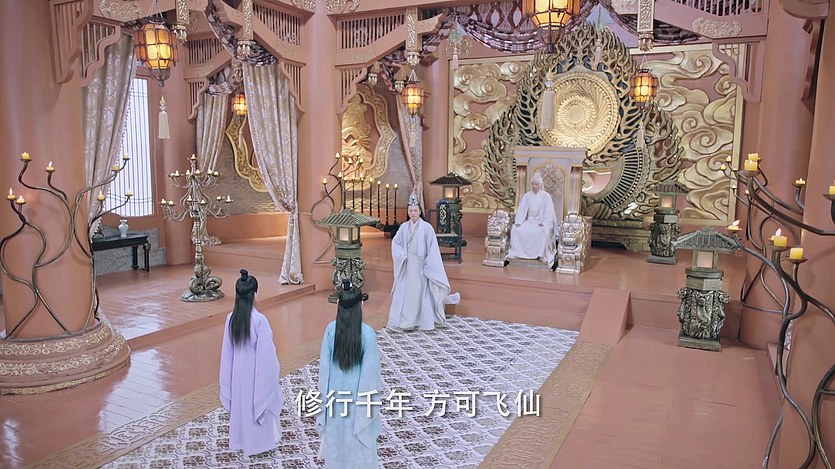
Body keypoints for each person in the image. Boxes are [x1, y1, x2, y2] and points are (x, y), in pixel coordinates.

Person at [219, 269, 284, 459]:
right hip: (256, 374)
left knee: (242, 406)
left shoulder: (231, 319)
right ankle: (260, 443)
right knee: (258, 404)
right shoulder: (259, 320)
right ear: (255, 294)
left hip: (238, 376)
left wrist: (228, 380)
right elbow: (266, 356)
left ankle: (243, 440)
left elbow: (226, 353)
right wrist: (270, 376)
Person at [317, 279, 382, 469]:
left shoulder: (331, 330)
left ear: (338, 304)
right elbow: (370, 378)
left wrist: (322, 409)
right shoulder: (367, 334)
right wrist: (367, 411)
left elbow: (324, 373)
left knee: (336, 447)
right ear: (361, 304)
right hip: (357, 404)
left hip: (335, 402)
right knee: (359, 451)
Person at [388, 193, 460, 332]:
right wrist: (401, 255)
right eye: (411, 210)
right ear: (408, 212)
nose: (413, 213)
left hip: (421, 266)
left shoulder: (427, 228)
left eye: (415, 210)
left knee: (421, 293)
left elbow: (433, 249)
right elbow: (396, 243)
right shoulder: (404, 227)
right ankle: (406, 322)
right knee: (407, 294)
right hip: (407, 265)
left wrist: (429, 264)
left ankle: (423, 321)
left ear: (420, 211)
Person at [506, 172, 559, 265]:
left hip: (541, 222)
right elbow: (521, 210)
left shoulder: (546, 196)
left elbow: (549, 212)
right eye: (533, 184)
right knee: (516, 229)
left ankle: (542, 254)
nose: (534, 186)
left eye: (536, 184)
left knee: (544, 231)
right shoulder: (527, 196)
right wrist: (519, 222)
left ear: (540, 185)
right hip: (529, 221)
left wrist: (545, 222)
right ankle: (517, 253)